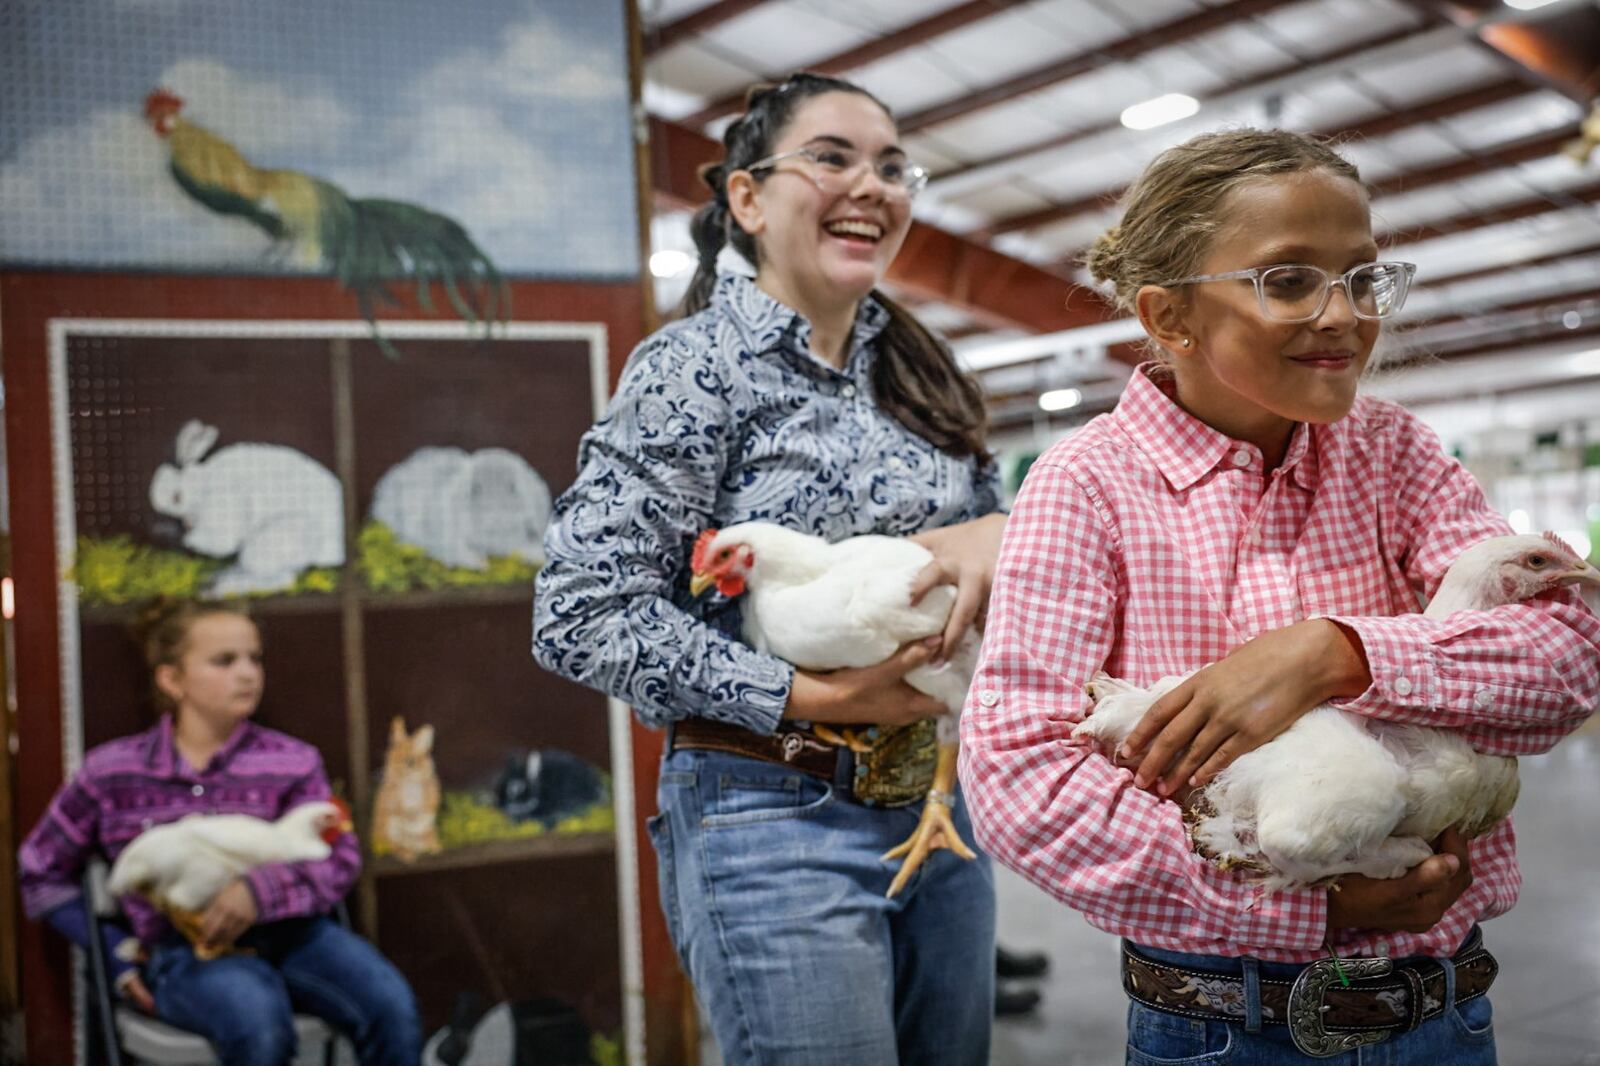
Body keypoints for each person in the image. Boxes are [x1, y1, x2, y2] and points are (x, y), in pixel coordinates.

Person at [959, 128, 1600, 1063]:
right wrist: (1293, 899)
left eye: (1363, 278)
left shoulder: (1396, 455)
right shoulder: (1087, 484)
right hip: (1224, 1026)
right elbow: (1020, 777)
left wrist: (1334, 655)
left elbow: (1568, 659)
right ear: (1169, 315)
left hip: (1446, 1013)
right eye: (1289, 280)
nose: (1344, 314)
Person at [533, 72, 1004, 1065]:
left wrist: (995, 538)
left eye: (890, 165)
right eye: (831, 157)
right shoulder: (694, 368)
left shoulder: (924, 379)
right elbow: (579, 609)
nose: (871, 185)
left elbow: (1000, 558)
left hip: (935, 805)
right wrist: (814, 690)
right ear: (746, 199)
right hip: (771, 817)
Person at [18, 599, 421, 1066]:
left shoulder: (292, 761)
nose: (248, 673)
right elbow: (38, 872)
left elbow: (339, 854)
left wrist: (258, 891)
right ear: (172, 679)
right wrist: (119, 959)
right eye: (224, 661)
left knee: (391, 1006)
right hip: (182, 949)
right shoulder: (112, 773)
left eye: (255, 658)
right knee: (255, 1021)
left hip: (295, 936)